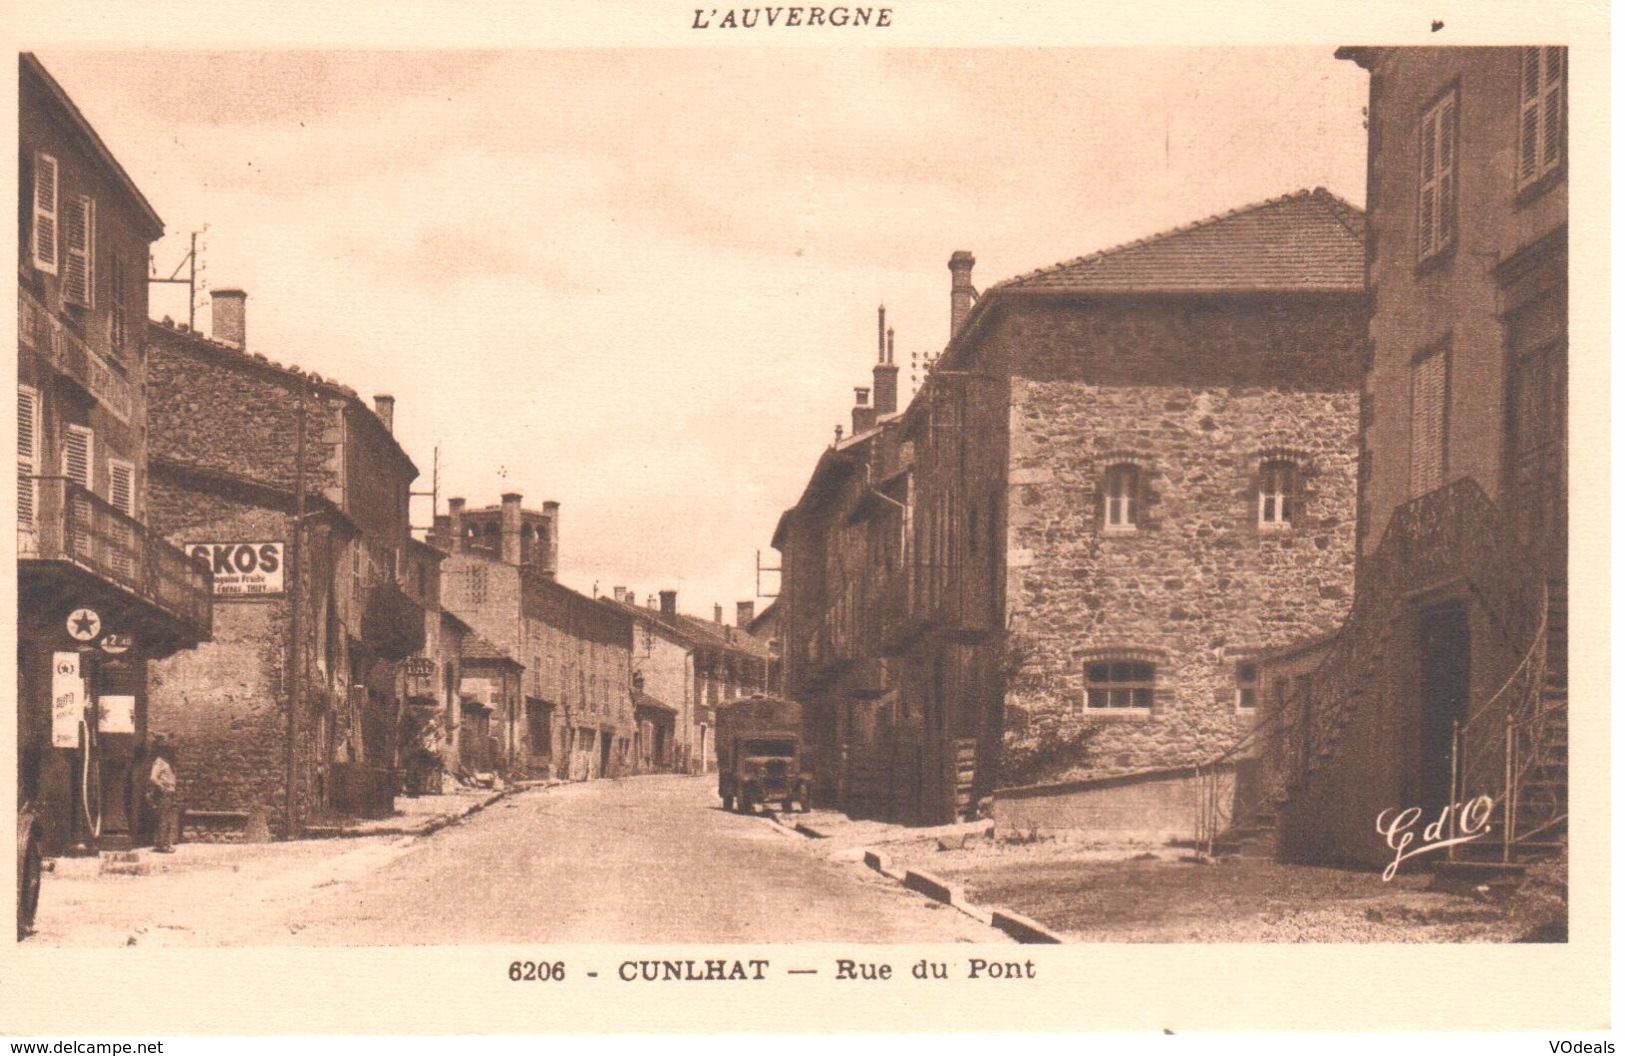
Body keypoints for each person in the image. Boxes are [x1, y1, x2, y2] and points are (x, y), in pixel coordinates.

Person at [147, 737, 179, 853]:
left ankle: (163, 843)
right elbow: (153, 778)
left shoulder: (168, 763)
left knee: (166, 818)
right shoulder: (159, 762)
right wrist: (161, 786)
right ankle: (162, 845)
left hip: (170, 793)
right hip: (164, 794)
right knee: (163, 819)